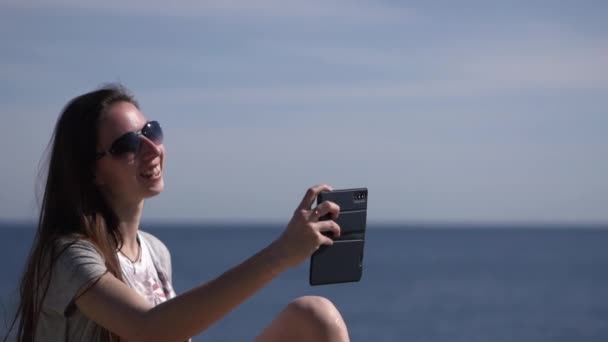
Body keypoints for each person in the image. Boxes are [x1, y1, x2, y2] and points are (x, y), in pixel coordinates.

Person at [5, 84, 349, 342]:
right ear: (91, 171)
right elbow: (150, 328)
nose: (152, 149)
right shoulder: (68, 256)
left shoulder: (154, 252)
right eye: (128, 145)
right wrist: (280, 254)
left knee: (315, 316)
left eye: (150, 132)